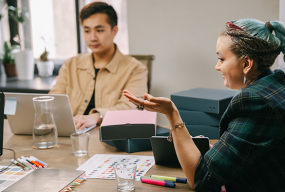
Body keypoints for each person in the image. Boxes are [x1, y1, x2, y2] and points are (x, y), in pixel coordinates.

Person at [124, 19, 285, 192]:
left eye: (221, 59)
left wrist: (171, 113)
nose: (217, 66)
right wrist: (220, 150)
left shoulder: (255, 103)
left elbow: (202, 180)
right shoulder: (277, 83)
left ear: (246, 64)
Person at [49, 2, 148, 130]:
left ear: (114, 31)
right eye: (87, 31)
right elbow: (54, 100)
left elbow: (130, 107)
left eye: (99, 30)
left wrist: (97, 117)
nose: (93, 37)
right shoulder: (70, 64)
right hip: (70, 134)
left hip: (108, 136)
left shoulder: (136, 69)